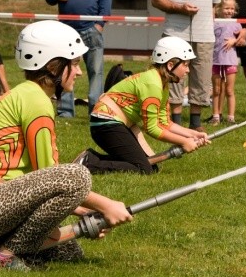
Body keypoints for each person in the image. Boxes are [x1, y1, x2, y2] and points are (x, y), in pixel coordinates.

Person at [0, 20, 132, 271]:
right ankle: (6, 255)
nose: (79, 72)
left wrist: (84, 212)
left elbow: (47, 185)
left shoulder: (28, 94)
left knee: (68, 253)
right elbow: (56, 177)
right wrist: (106, 205)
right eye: (74, 63)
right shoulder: (36, 102)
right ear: (54, 66)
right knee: (78, 175)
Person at [75, 36, 210, 175]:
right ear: (170, 65)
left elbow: (164, 123)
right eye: (185, 65)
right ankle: (88, 163)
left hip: (116, 124)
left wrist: (193, 134)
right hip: (105, 125)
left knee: (151, 166)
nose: (188, 70)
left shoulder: (161, 83)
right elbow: (152, 128)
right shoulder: (153, 84)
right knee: (143, 168)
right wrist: (183, 142)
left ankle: (91, 159)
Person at [151, 0, 221, 133]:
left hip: (205, 35)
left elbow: (214, 4)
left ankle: (196, 123)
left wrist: (211, 27)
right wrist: (180, 7)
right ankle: (175, 121)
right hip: (176, 34)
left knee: (201, 77)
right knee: (174, 76)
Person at [44, 0, 112, 118]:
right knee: (65, 70)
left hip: (92, 29)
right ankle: (66, 111)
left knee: (95, 71)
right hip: (66, 30)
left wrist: (100, 24)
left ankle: (95, 111)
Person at [208, 0, 240, 125]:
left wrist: (234, 40)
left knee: (229, 90)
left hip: (230, 61)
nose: (230, 11)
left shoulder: (237, 24)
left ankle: (231, 117)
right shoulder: (213, 23)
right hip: (216, 61)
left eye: (232, 8)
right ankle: (216, 116)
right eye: (227, 8)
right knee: (216, 90)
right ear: (219, 8)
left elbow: (241, 39)